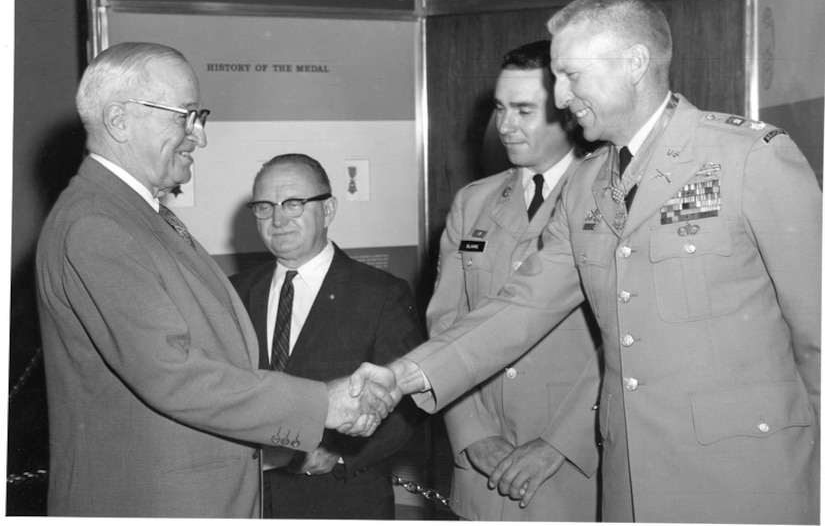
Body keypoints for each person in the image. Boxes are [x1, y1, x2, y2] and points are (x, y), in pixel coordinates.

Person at [369, 0, 820, 524]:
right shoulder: (588, 182)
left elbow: (819, 333)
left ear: (634, 63)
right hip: (627, 483)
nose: (560, 97)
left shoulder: (748, 157)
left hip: (747, 481)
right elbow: (520, 307)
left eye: (571, 75)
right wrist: (402, 376)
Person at [35, 42, 395, 518]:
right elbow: (172, 371)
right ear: (119, 120)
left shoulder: (133, 216)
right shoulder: (97, 224)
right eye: (183, 116)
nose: (198, 136)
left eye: (197, 115)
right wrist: (320, 405)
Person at [426, 40, 600, 521]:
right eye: (500, 109)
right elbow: (447, 322)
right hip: (483, 470)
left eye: (524, 110)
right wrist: (470, 431)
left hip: (576, 467)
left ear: (568, 111)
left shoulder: (611, 198)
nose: (504, 126)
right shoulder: (473, 202)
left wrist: (559, 445)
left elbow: (627, 345)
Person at [230, 153, 424, 519]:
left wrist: (337, 452)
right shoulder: (234, 292)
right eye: (264, 206)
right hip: (251, 504)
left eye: (294, 203)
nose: (278, 219)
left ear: (329, 209)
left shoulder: (381, 294)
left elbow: (410, 405)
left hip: (341, 501)